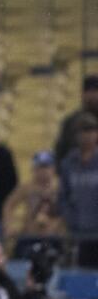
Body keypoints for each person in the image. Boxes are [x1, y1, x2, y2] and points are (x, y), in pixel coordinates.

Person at [4, 150, 66, 255]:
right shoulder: (27, 187)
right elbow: (9, 205)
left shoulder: (60, 188)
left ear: (53, 169)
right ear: (34, 169)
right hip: (30, 236)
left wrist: (60, 225)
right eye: (39, 168)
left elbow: (69, 208)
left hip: (53, 237)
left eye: (46, 167)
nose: (43, 171)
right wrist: (9, 225)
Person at [58, 112, 98, 266]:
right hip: (79, 230)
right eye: (83, 130)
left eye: (91, 130)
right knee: (83, 274)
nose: (87, 135)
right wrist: (71, 219)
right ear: (76, 135)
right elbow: (63, 196)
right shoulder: (69, 163)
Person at [54, 75, 98, 167]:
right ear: (82, 94)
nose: (93, 95)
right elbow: (61, 151)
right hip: (76, 173)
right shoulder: (71, 121)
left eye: (95, 91)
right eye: (89, 91)